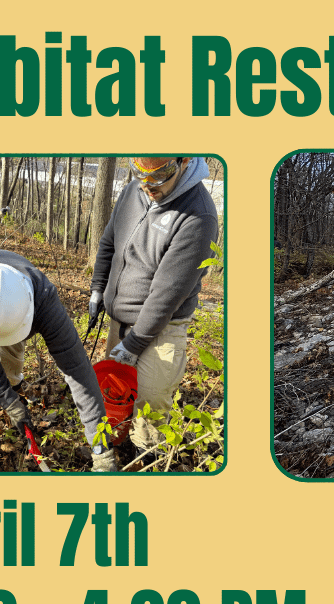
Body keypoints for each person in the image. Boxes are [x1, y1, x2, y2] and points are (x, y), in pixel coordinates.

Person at [0, 249, 116, 472]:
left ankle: (14, 384)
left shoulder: (45, 300)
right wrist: (9, 403)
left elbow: (78, 370)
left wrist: (101, 447)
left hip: (18, 295)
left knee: (12, 347)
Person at [89, 157, 220, 458]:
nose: (148, 185)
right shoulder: (133, 191)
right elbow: (109, 243)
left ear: (183, 162)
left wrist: (134, 344)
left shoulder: (197, 216)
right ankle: (118, 450)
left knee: (149, 409)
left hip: (161, 330)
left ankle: (150, 461)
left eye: (160, 175)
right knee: (117, 398)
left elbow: (167, 295)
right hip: (118, 322)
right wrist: (98, 290)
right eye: (141, 174)